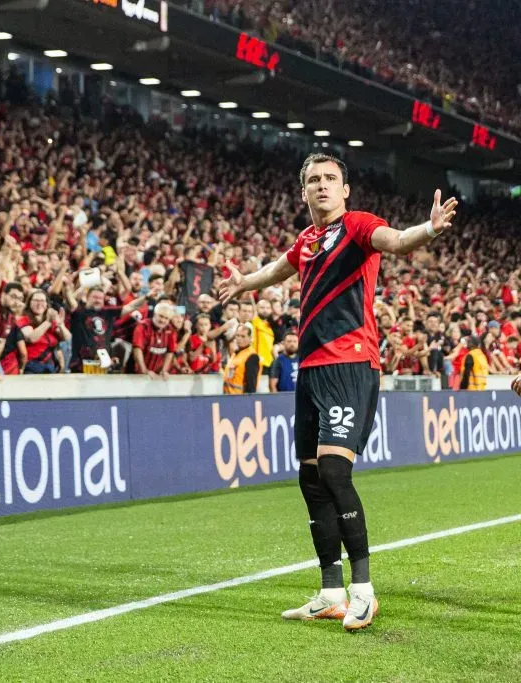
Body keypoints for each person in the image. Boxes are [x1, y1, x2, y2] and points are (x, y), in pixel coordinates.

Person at [218, 152, 458, 631]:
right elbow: (280, 270)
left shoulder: (358, 225)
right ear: (303, 191)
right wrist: (245, 283)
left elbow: (396, 241)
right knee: (310, 478)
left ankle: (363, 592)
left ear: (345, 190)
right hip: (309, 369)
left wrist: (427, 230)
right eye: (314, 180)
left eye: (330, 179)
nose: (322, 186)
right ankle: (330, 591)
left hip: (350, 364)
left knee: (333, 469)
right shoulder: (307, 239)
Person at [131, 302, 178, 379]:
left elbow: (170, 352)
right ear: (155, 314)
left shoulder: (171, 330)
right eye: (161, 316)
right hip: (137, 374)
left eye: (166, 318)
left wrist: (164, 370)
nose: (163, 320)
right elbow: (137, 349)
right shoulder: (143, 326)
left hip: (157, 374)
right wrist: (144, 371)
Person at [221, 323, 259, 394]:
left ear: (250, 338)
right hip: (229, 397)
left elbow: (251, 385)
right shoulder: (236, 353)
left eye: (243, 336)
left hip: (240, 399)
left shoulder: (252, 356)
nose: (239, 339)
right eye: (238, 336)